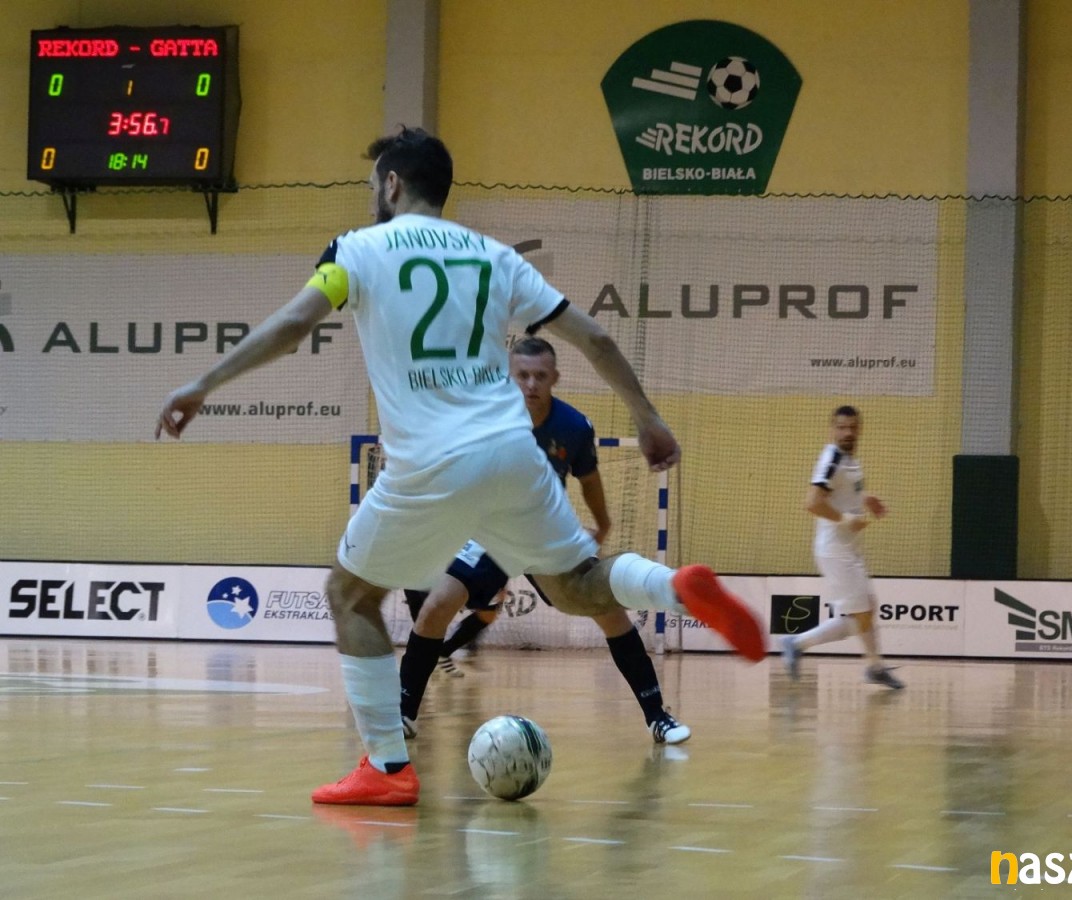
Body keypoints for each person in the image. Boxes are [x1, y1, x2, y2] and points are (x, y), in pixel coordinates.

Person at [155, 126, 765, 807]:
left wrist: (203, 384)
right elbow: (593, 337)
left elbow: (296, 326)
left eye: (374, 185)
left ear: (391, 184)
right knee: (576, 588)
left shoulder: (356, 250)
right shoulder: (495, 256)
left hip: (431, 463)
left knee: (351, 596)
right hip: (515, 454)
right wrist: (647, 416)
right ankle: (674, 586)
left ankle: (387, 767)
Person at [399, 337, 691, 746]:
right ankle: (403, 715)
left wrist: (602, 525)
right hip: (493, 530)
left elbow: (589, 480)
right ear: (509, 377)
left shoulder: (574, 427)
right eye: (522, 375)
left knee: (609, 612)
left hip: (547, 531)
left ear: (555, 377)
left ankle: (658, 716)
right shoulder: (483, 419)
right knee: (436, 608)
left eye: (540, 375)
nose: (531, 384)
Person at [780, 406, 904, 689]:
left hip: (849, 548)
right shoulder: (833, 458)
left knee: (867, 608)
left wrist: (866, 498)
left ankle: (875, 666)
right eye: (841, 427)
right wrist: (847, 520)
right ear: (832, 429)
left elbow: (842, 492)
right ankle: (797, 643)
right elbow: (812, 503)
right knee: (861, 615)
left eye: (852, 427)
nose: (847, 432)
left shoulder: (849, 459)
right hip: (835, 549)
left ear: (859, 429)